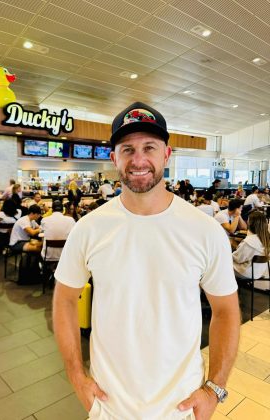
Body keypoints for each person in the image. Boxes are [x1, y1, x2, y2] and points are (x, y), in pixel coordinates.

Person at [53, 102, 240, 420]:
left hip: (180, 409)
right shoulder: (89, 228)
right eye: (127, 149)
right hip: (108, 407)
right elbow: (65, 300)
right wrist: (75, 374)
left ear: (166, 155)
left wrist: (214, 389)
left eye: (149, 147)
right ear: (114, 158)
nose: (138, 160)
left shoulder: (204, 230)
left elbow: (225, 311)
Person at [233, 211, 270, 279]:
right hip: (260, 272)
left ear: (250, 224)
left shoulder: (249, 242)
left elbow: (237, 259)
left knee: (223, 263)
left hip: (246, 273)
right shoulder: (266, 239)